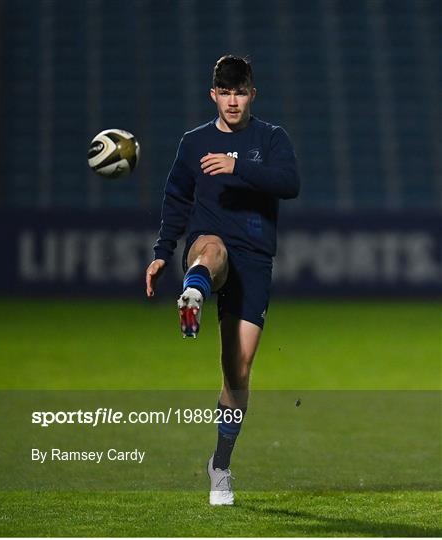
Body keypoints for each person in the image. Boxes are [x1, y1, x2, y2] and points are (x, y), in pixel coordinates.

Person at [145, 55, 300, 505]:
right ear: (213, 94)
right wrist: (161, 253)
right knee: (211, 249)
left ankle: (220, 466)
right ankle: (193, 290)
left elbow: (289, 183)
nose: (233, 101)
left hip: (255, 259)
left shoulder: (270, 139)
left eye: (241, 92)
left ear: (253, 93)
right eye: (225, 92)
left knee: (239, 371)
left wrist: (238, 167)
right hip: (207, 246)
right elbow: (176, 200)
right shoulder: (193, 143)